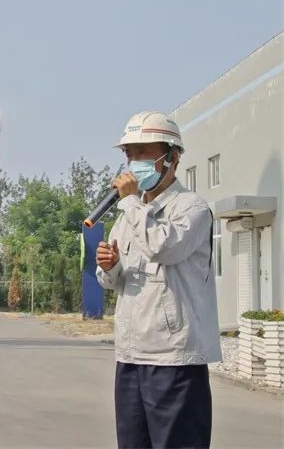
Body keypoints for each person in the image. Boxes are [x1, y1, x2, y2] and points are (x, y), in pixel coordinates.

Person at [96, 111, 220, 449]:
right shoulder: (128, 215)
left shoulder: (191, 208)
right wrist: (110, 266)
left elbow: (164, 247)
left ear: (172, 157)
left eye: (143, 152)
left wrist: (130, 203)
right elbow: (111, 281)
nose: (134, 162)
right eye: (129, 154)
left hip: (174, 360)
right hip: (131, 357)